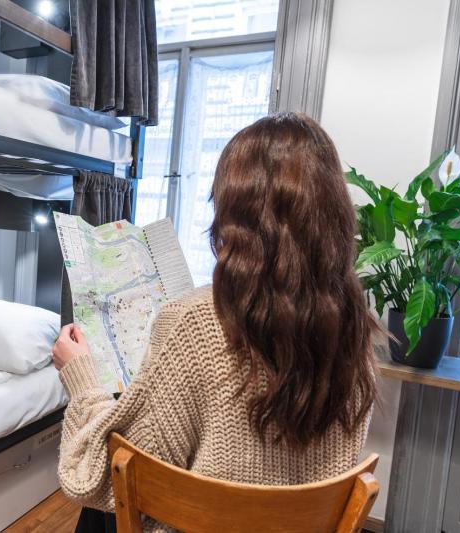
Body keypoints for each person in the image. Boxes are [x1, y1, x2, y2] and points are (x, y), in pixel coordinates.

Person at [52, 112, 380, 532]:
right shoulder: (355, 331)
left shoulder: (196, 323)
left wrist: (81, 377)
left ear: (232, 216)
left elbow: (104, 474)